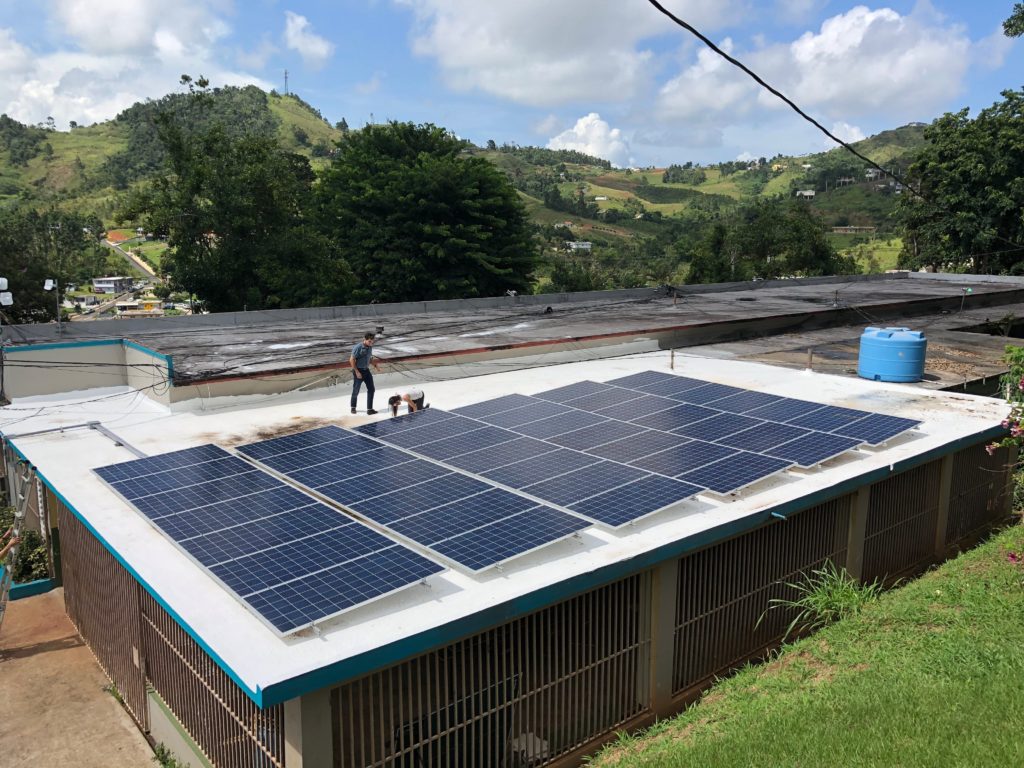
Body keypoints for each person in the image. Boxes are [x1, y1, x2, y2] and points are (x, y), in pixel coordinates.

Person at [349, 332, 382, 415]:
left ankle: (369, 409)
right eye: (369, 341)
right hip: (359, 371)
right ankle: (353, 407)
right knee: (356, 390)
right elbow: (351, 360)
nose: (371, 343)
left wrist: (376, 366)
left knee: (371, 389)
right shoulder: (358, 347)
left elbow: (370, 358)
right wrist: (356, 372)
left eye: (372, 341)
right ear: (365, 339)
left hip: (366, 371)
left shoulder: (370, 347)